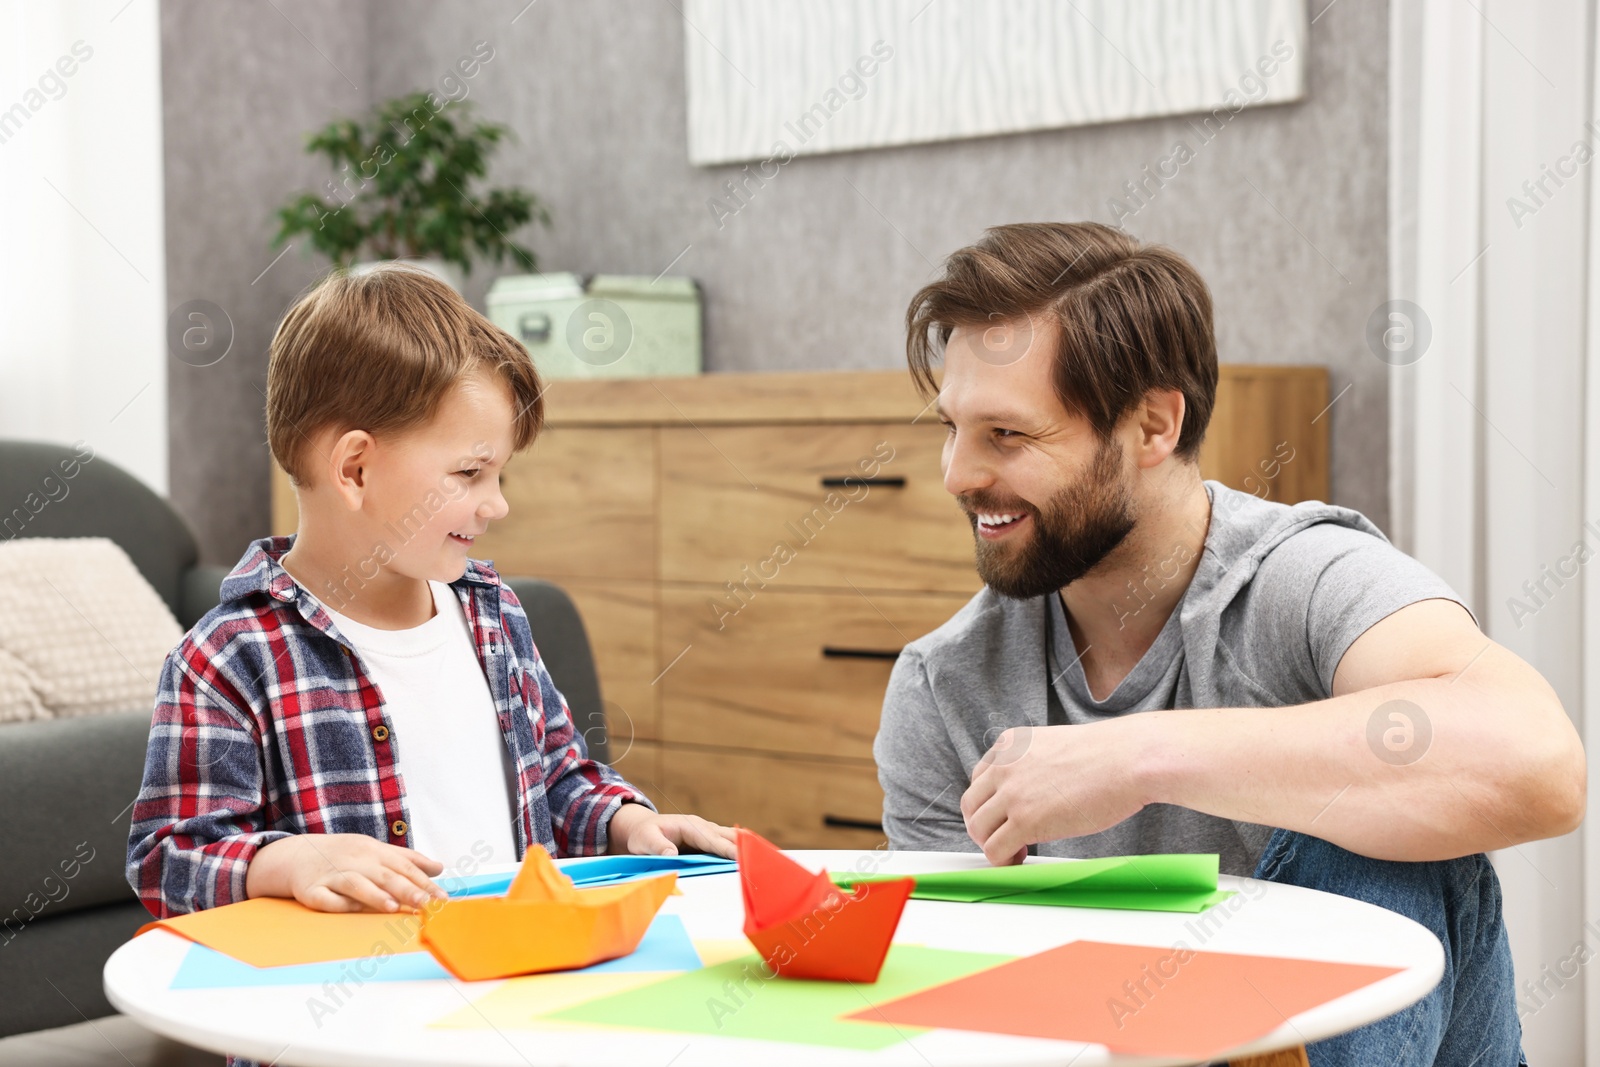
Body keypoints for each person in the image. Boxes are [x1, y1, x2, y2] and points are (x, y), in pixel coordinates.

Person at [876, 222, 1585, 1066]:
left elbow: (1540, 764)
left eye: (1007, 435)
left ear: (1152, 426)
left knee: (1385, 829)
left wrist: (1137, 756)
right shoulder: (944, 684)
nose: (956, 472)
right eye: (952, 428)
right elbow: (958, 1020)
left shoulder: (1305, 578)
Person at [127, 264, 735, 927]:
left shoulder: (492, 613)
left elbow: (556, 776)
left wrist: (628, 822)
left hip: (518, 979)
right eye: (470, 472)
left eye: (499, 474)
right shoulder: (228, 658)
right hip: (345, 1012)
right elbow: (170, 858)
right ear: (355, 470)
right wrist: (289, 862)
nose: (496, 503)